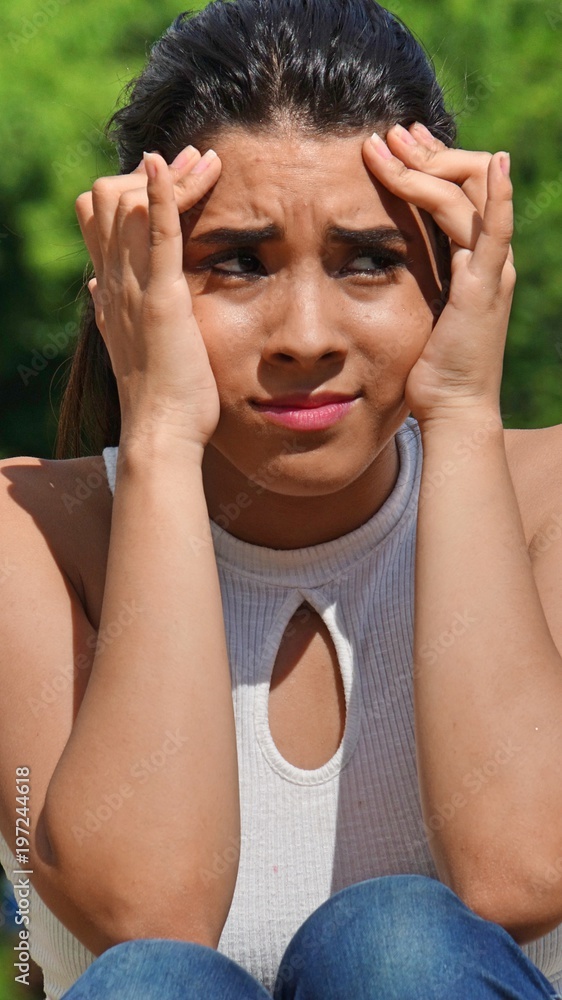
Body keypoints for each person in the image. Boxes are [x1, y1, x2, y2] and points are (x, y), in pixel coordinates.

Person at [0, 0, 561, 996]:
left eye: (370, 260)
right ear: (136, 278)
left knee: (395, 945)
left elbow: (519, 870)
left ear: (449, 272)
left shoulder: (549, 499)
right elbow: (151, 911)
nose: (306, 334)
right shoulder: (26, 535)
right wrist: (160, 433)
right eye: (238, 262)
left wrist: (464, 411)